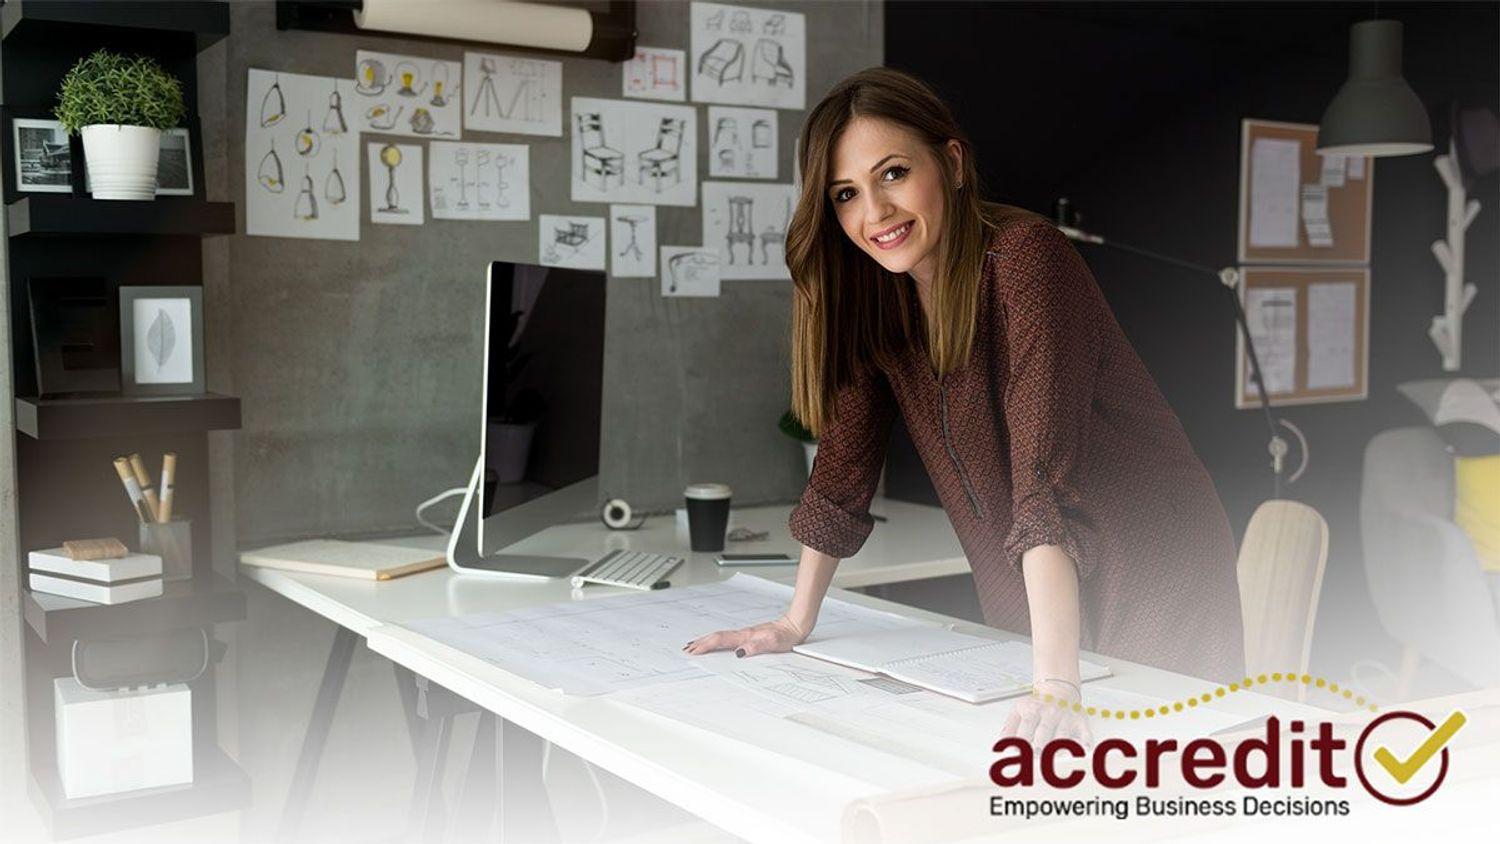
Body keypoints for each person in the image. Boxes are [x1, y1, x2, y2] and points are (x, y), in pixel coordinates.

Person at [685, 67, 1245, 748]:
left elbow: (1041, 483)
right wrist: (795, 621)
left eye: (892, 173)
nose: (875, 213)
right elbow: (841, 473)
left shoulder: (1025, 261)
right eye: (846, 194)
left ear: (950, 162)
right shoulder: (876, 299)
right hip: (1030, 574)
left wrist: (1056, 682)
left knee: (1149, 775)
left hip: (1153, 558)